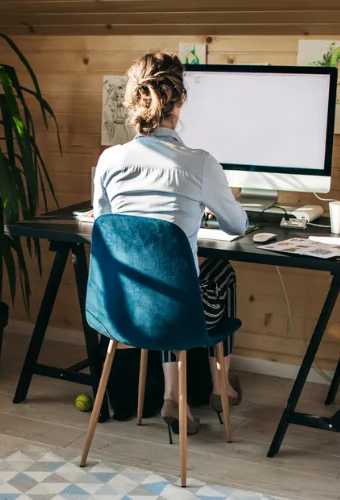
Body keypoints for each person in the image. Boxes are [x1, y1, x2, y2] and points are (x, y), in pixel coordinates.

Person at [92, 51, 248, 435]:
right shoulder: (197, 162)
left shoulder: (109, 161)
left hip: (121, 310)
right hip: (178, 313)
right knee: (217, 272)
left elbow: (103, 225)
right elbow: (237, 225)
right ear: (178, 100)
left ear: (133, 102)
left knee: (159, 275)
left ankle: (173, 398)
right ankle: (220, 386)